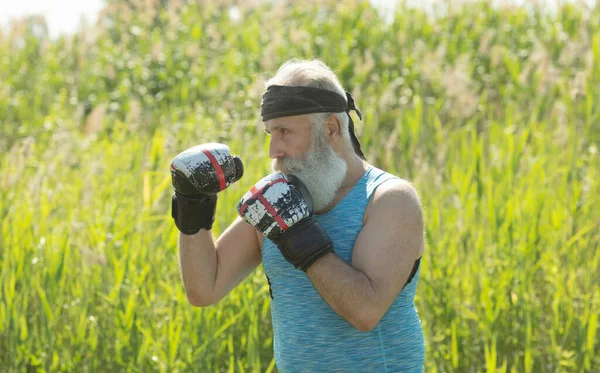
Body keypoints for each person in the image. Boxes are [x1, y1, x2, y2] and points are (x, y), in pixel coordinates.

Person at [169, 59, 426, 372]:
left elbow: (365, 312)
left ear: (331, 128)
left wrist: (298, 236)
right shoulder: (278, 199)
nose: (273, 150)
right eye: (269, 134)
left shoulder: (388, 199)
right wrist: (192, 205)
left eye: (284, 131)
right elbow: (204, 289)